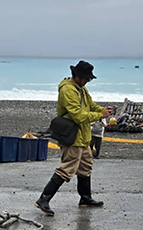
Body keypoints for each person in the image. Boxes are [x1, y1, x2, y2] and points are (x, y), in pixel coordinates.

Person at [36, 61, 113, 216]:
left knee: (85, 167)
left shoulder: (81, 89)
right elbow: (77, 115)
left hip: (83, 136)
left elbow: (91, 105)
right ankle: (43, 200)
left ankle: (85, 198)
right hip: (72, 136)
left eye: (89, 79)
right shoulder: (68, 90)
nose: (87, 81)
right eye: (86, 79)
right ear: (77, 76)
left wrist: (103, 110)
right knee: (67, 168)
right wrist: (100, 115)